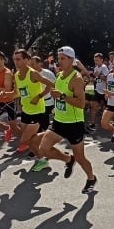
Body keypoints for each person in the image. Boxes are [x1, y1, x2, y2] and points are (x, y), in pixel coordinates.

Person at [35, 46, 97, 194]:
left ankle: (91, 178)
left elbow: (81, 104)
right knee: (43, 149)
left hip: (74, 124)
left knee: (81, 157)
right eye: (58, 58)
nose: (59, 61)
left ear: (71, 60)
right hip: (59, 121)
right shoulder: (59, 75)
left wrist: (62, 96)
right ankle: (68, 160)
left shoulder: (76, 78)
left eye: (62, 58)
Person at [11, 49, 53, 157]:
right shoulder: (16, 75)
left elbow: (50, 84)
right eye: (14, 59)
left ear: (26, 60)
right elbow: (16, 93)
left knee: (24, 140)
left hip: (37, 110)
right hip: (26, 110)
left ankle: (53, 135)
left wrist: (39, 96)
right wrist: (5, 94)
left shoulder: (33, 74)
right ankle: (42, 152)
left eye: (18, 59)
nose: (16, 62)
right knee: (30, 139)